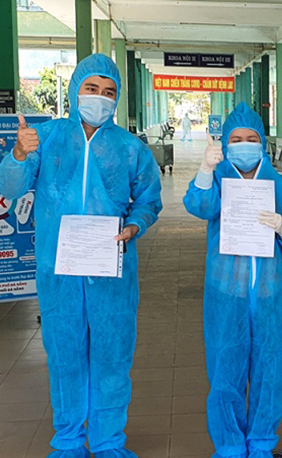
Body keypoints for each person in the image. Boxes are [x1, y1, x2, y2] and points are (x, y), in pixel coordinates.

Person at [0, 54, 162, 458]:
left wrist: (134, 226)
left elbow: (149, 201)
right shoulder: (47, 137)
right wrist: (19, 154)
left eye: (109, 93)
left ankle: (108, 442)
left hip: (112, 271)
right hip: (60, 271)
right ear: (75, 90)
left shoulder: (130, 149)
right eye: (92, 89)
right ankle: (70, 441)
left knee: (112, 358)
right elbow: (12, 187)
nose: (100, 99)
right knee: (65, 355)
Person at [183, 102, 282, 458]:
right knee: (226, 369)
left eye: (250, 138)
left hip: (270, 294)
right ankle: (228, 445)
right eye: (235, 139)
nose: (243, 144)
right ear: (224, 143)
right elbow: (199, 206)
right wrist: (205, 171)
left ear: (263, 143)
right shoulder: (219, 180)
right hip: (226, 293)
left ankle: (261, 443)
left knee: (271, 370)